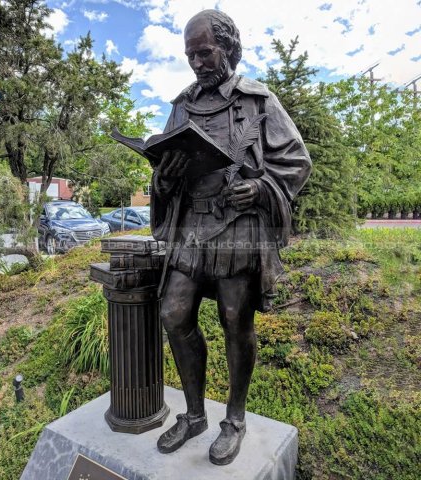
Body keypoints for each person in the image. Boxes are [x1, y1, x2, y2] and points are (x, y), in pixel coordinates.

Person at [150, 9, 312, 465]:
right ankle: (195, 413)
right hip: (191, 226)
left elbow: (296, 161)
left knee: (234, 317)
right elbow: (164, 168)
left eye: (205, 53)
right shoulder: (181, 104)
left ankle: (235, 419)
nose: (198, 63)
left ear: (228, 48)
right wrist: (164, 179)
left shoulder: (258, 101)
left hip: (238, 226)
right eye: (190, 56)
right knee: (174, 314)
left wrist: (261, 187)